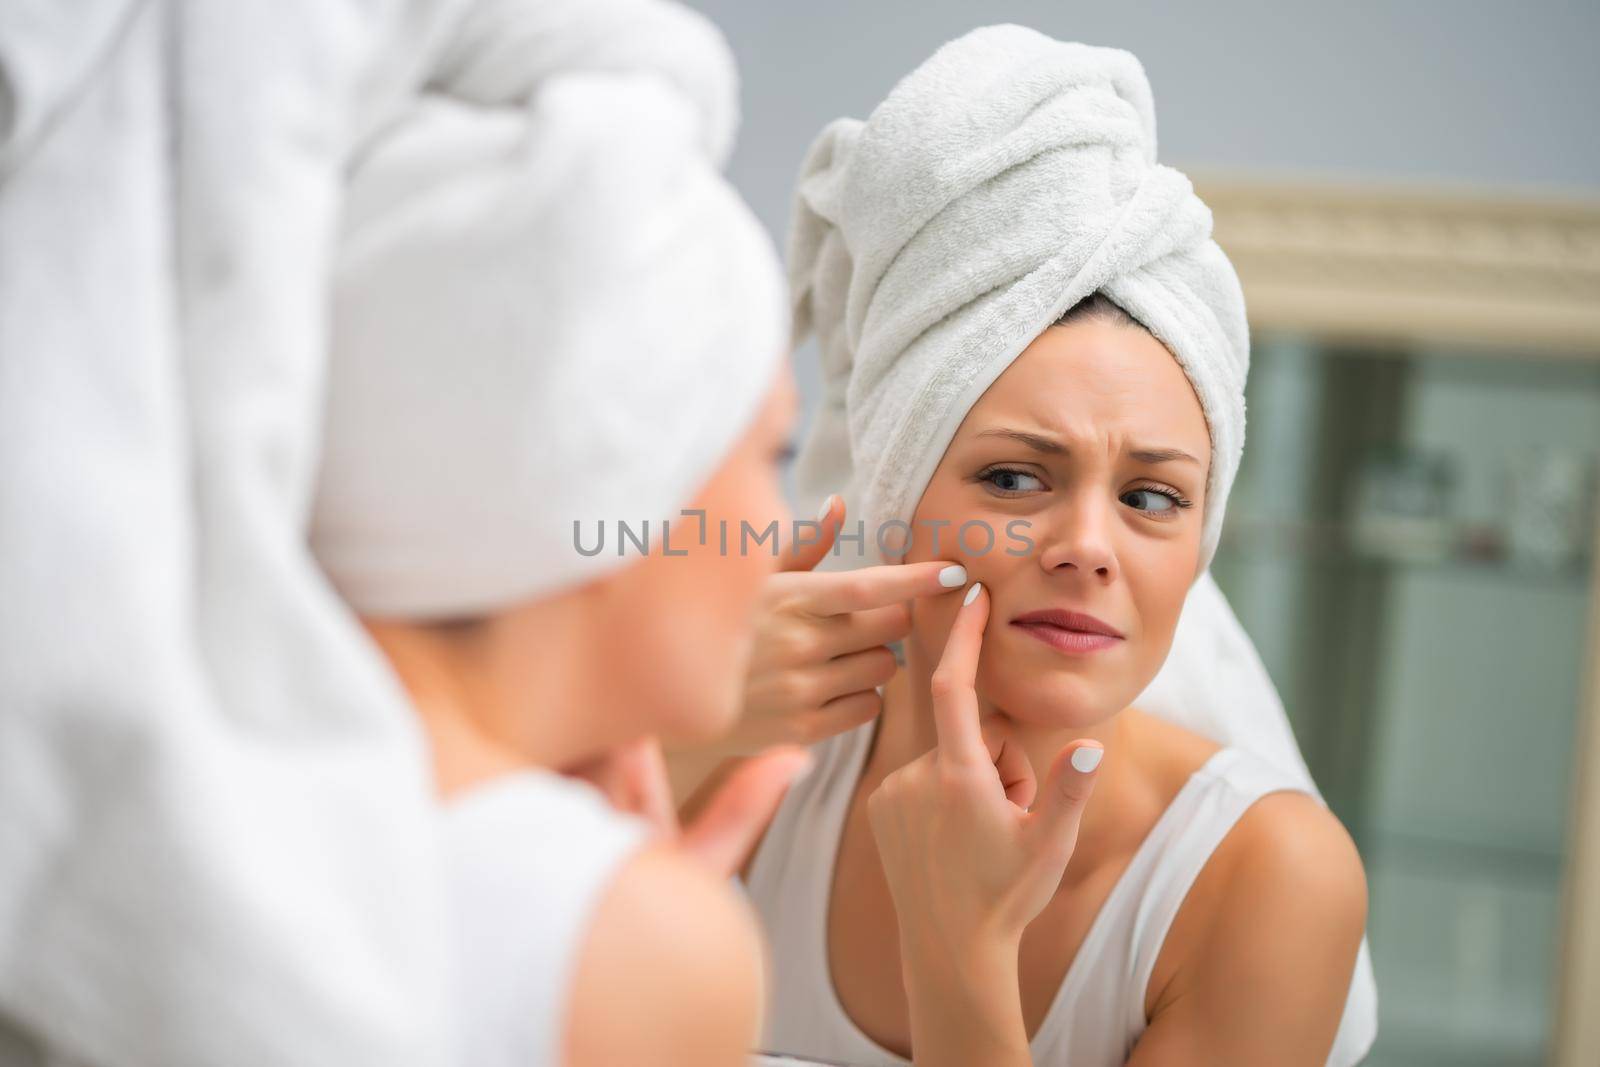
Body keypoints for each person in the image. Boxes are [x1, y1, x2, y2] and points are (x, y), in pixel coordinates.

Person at [707, 27, 1376, 1065]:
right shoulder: (748, 766)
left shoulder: (1265, 877)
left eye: (1153, 495)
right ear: (890, 492)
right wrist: (684, 730)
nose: (1087, 547)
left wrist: (962, 946)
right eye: (1015, 477)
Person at [307, 5, 809, 1063]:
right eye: (771, 457)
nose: (778, 534)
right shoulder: (631, 944)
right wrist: (626, 945)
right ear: (608, 464)